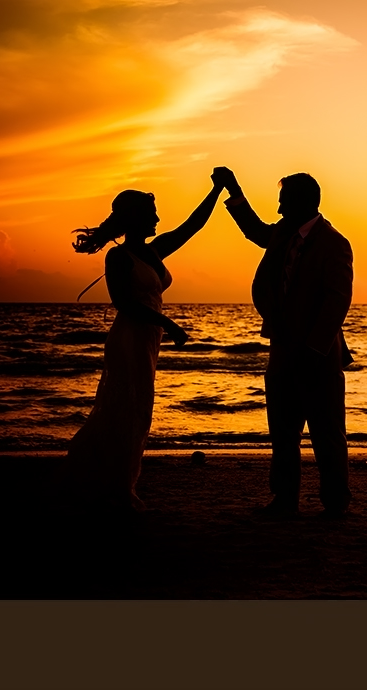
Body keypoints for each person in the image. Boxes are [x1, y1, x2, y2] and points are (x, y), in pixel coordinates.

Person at [57, 175, 224, 512]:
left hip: (148, 339)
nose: (158, 219)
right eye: (152, 213)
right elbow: (123, 303)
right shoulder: (119, 258)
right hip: (130, 338)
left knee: (138, 411)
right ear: (135, 218)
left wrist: (216, 190)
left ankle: (119, 483)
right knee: (125, 408)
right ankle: (109, 484)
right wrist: (168, 323)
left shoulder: (154, 250)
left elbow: (193, 226)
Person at [213, 167, 353, 518]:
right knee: (283, 430)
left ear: (303, 202)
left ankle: (335, 503)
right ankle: (284, 499)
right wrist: (234, 188)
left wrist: (314, 348)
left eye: (283, 202)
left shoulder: (334, 243)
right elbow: (255, 230)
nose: (277, 210)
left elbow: (337, 301)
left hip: (319, 354)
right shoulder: (282, 234)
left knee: (327, 433)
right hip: (282, 348)